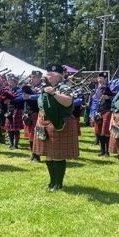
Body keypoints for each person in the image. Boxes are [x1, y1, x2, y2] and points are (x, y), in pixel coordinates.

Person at [33, 64, 79, 192]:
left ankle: (58, 184)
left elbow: (69, 101)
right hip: (44, 122)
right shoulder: (45, 88)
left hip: (58, 123)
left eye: (49, 74)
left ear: (56, 77)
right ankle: (52, 182)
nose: (45, 76)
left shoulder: (63, 87)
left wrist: (54, 94)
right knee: (48, 154)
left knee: (57, 155)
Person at [89, 72, 115, 157]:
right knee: (99, 132)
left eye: (102, 78)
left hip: (107, 111)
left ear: (106, 79)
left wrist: (109, 97)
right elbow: (95, 102)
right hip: (98, 111)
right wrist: (92, 113)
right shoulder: (98, 88)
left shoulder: (111, 86)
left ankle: (107, 151)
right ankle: (102, 150)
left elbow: (117, 97)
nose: (100, 80)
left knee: (106, 132)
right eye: (99, 78)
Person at [22, 71, 43, 162]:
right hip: (30, 113)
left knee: (38, 135)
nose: (31, 79)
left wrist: (30, 97)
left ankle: (38, 155)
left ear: (39, 78)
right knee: (31, 136)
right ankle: (33, 154)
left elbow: (42, 96)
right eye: (31, 77)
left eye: (34, 77)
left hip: (38, 113)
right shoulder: (30, 87)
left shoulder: (43, 87)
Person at [3, 74, 24, 150]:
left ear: (15, 82)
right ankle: (11, 143)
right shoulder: (9, 90)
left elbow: (21, 98)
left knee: (15, 129)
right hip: (9, 110)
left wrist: (11, 100)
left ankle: (15, 144)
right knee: (9, 129)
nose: (9, 83)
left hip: (16, 109)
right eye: (9, 81)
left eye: (11, 82)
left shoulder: (19, 90)